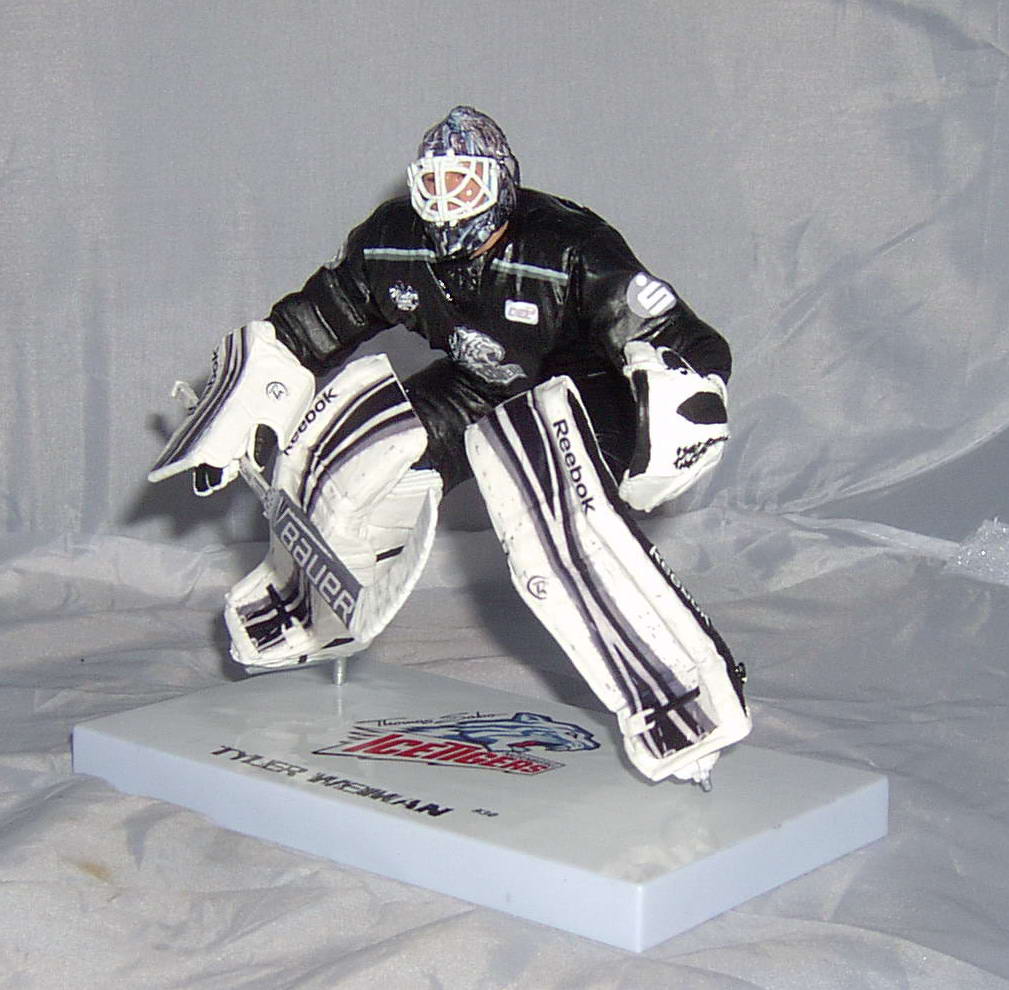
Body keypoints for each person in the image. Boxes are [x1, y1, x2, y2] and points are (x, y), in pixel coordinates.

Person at [149, 106, 750, 787]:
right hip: (477, 384)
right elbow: (306, 325)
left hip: (576, 390)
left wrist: (679, 405)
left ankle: (685, 696)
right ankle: (307, 617)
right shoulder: (392, 241)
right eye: (432, 185)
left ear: (501, 183)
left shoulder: (568, 246)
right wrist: (232, 416)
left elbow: (676, 335)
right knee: (346, 463)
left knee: (558, 530)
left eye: (463, 184)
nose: (445, 203)